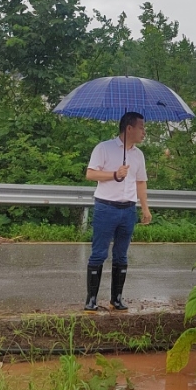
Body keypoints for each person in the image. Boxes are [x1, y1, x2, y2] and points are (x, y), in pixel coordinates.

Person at [83, 111, 152, 311]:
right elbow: (90, 173)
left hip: (128, 209)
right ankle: (91, 299)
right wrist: (115, 174)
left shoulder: (138, 155)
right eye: (141, 127)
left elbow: (141, 182)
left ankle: (117, 298)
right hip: (106, 207)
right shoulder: (104, 148)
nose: (144, 132)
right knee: (99, 253)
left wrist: (145, 208)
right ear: (129, 128)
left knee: (121, 255)